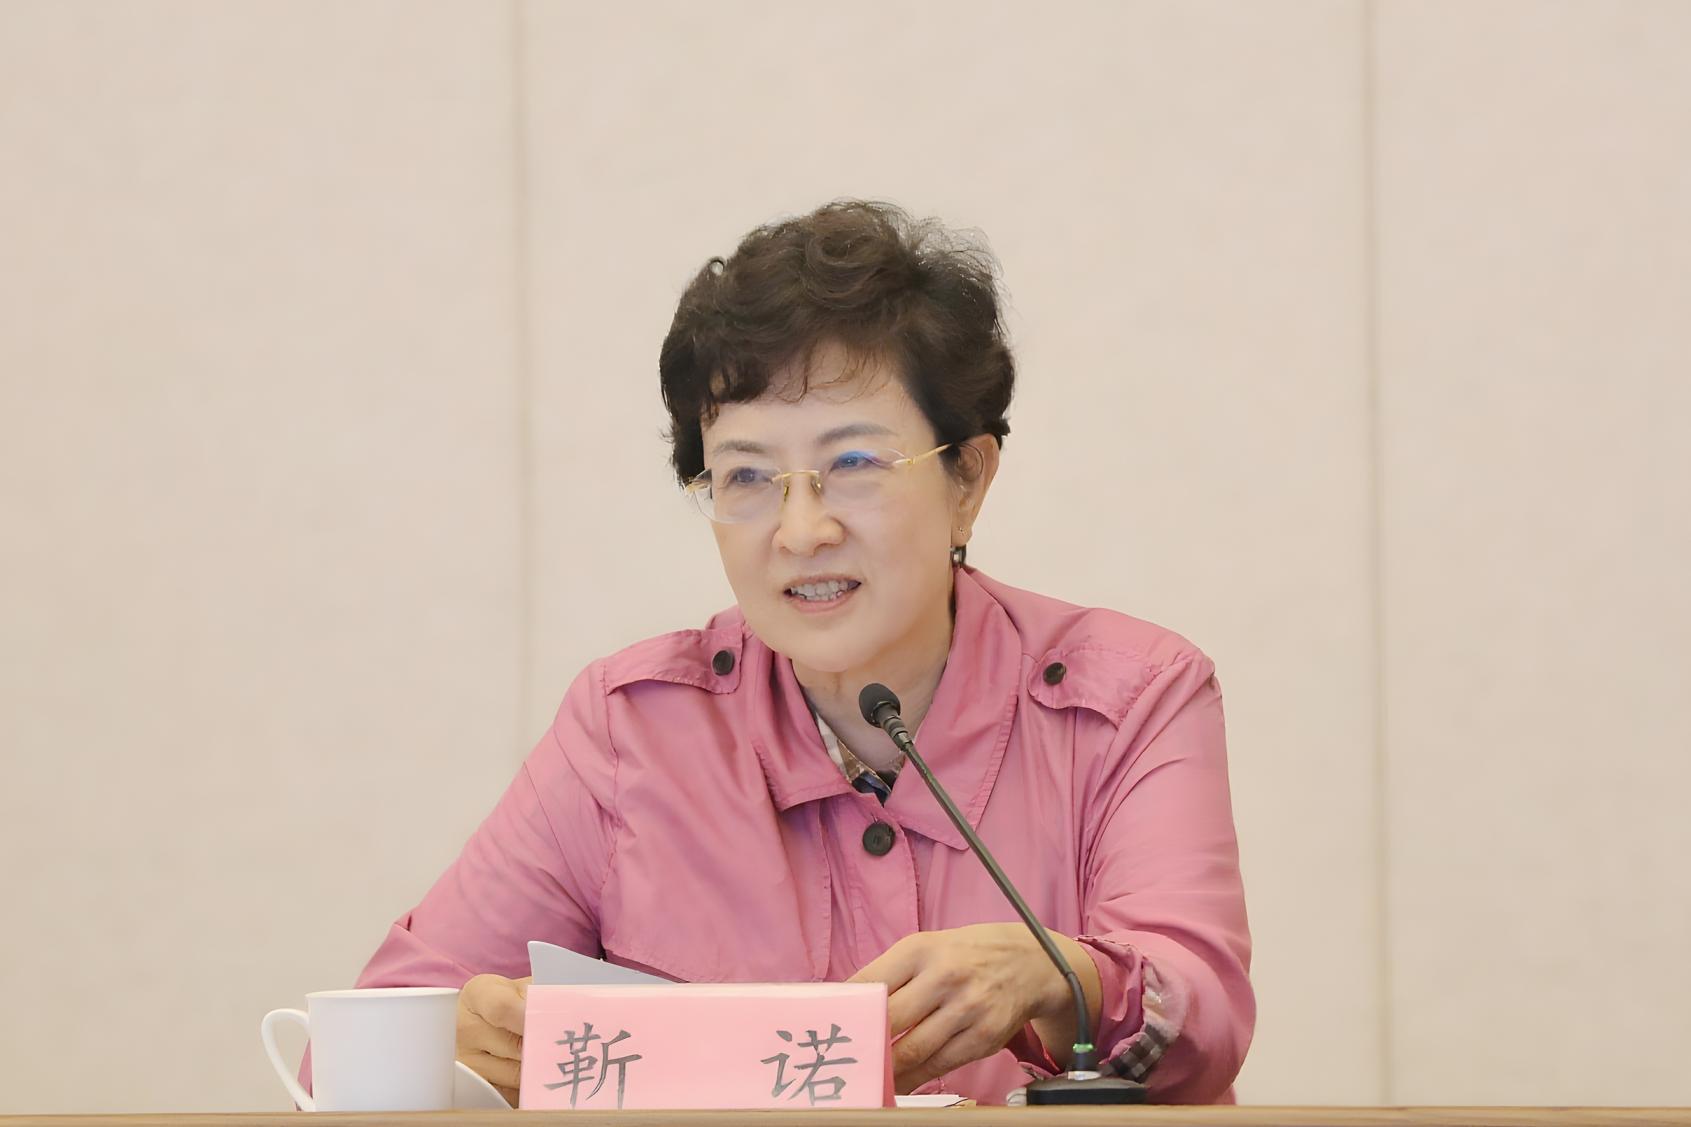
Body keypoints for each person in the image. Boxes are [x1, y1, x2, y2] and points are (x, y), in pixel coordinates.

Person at [351, 200, 1254, 1106]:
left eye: (854, 464)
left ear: (968, 479)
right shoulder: (632, 733)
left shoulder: (1128, 699)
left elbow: (1204, 1024)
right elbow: (355, 1051)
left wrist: (1063, 981)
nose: (800, 530)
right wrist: (457, 1045)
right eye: (746, 476)